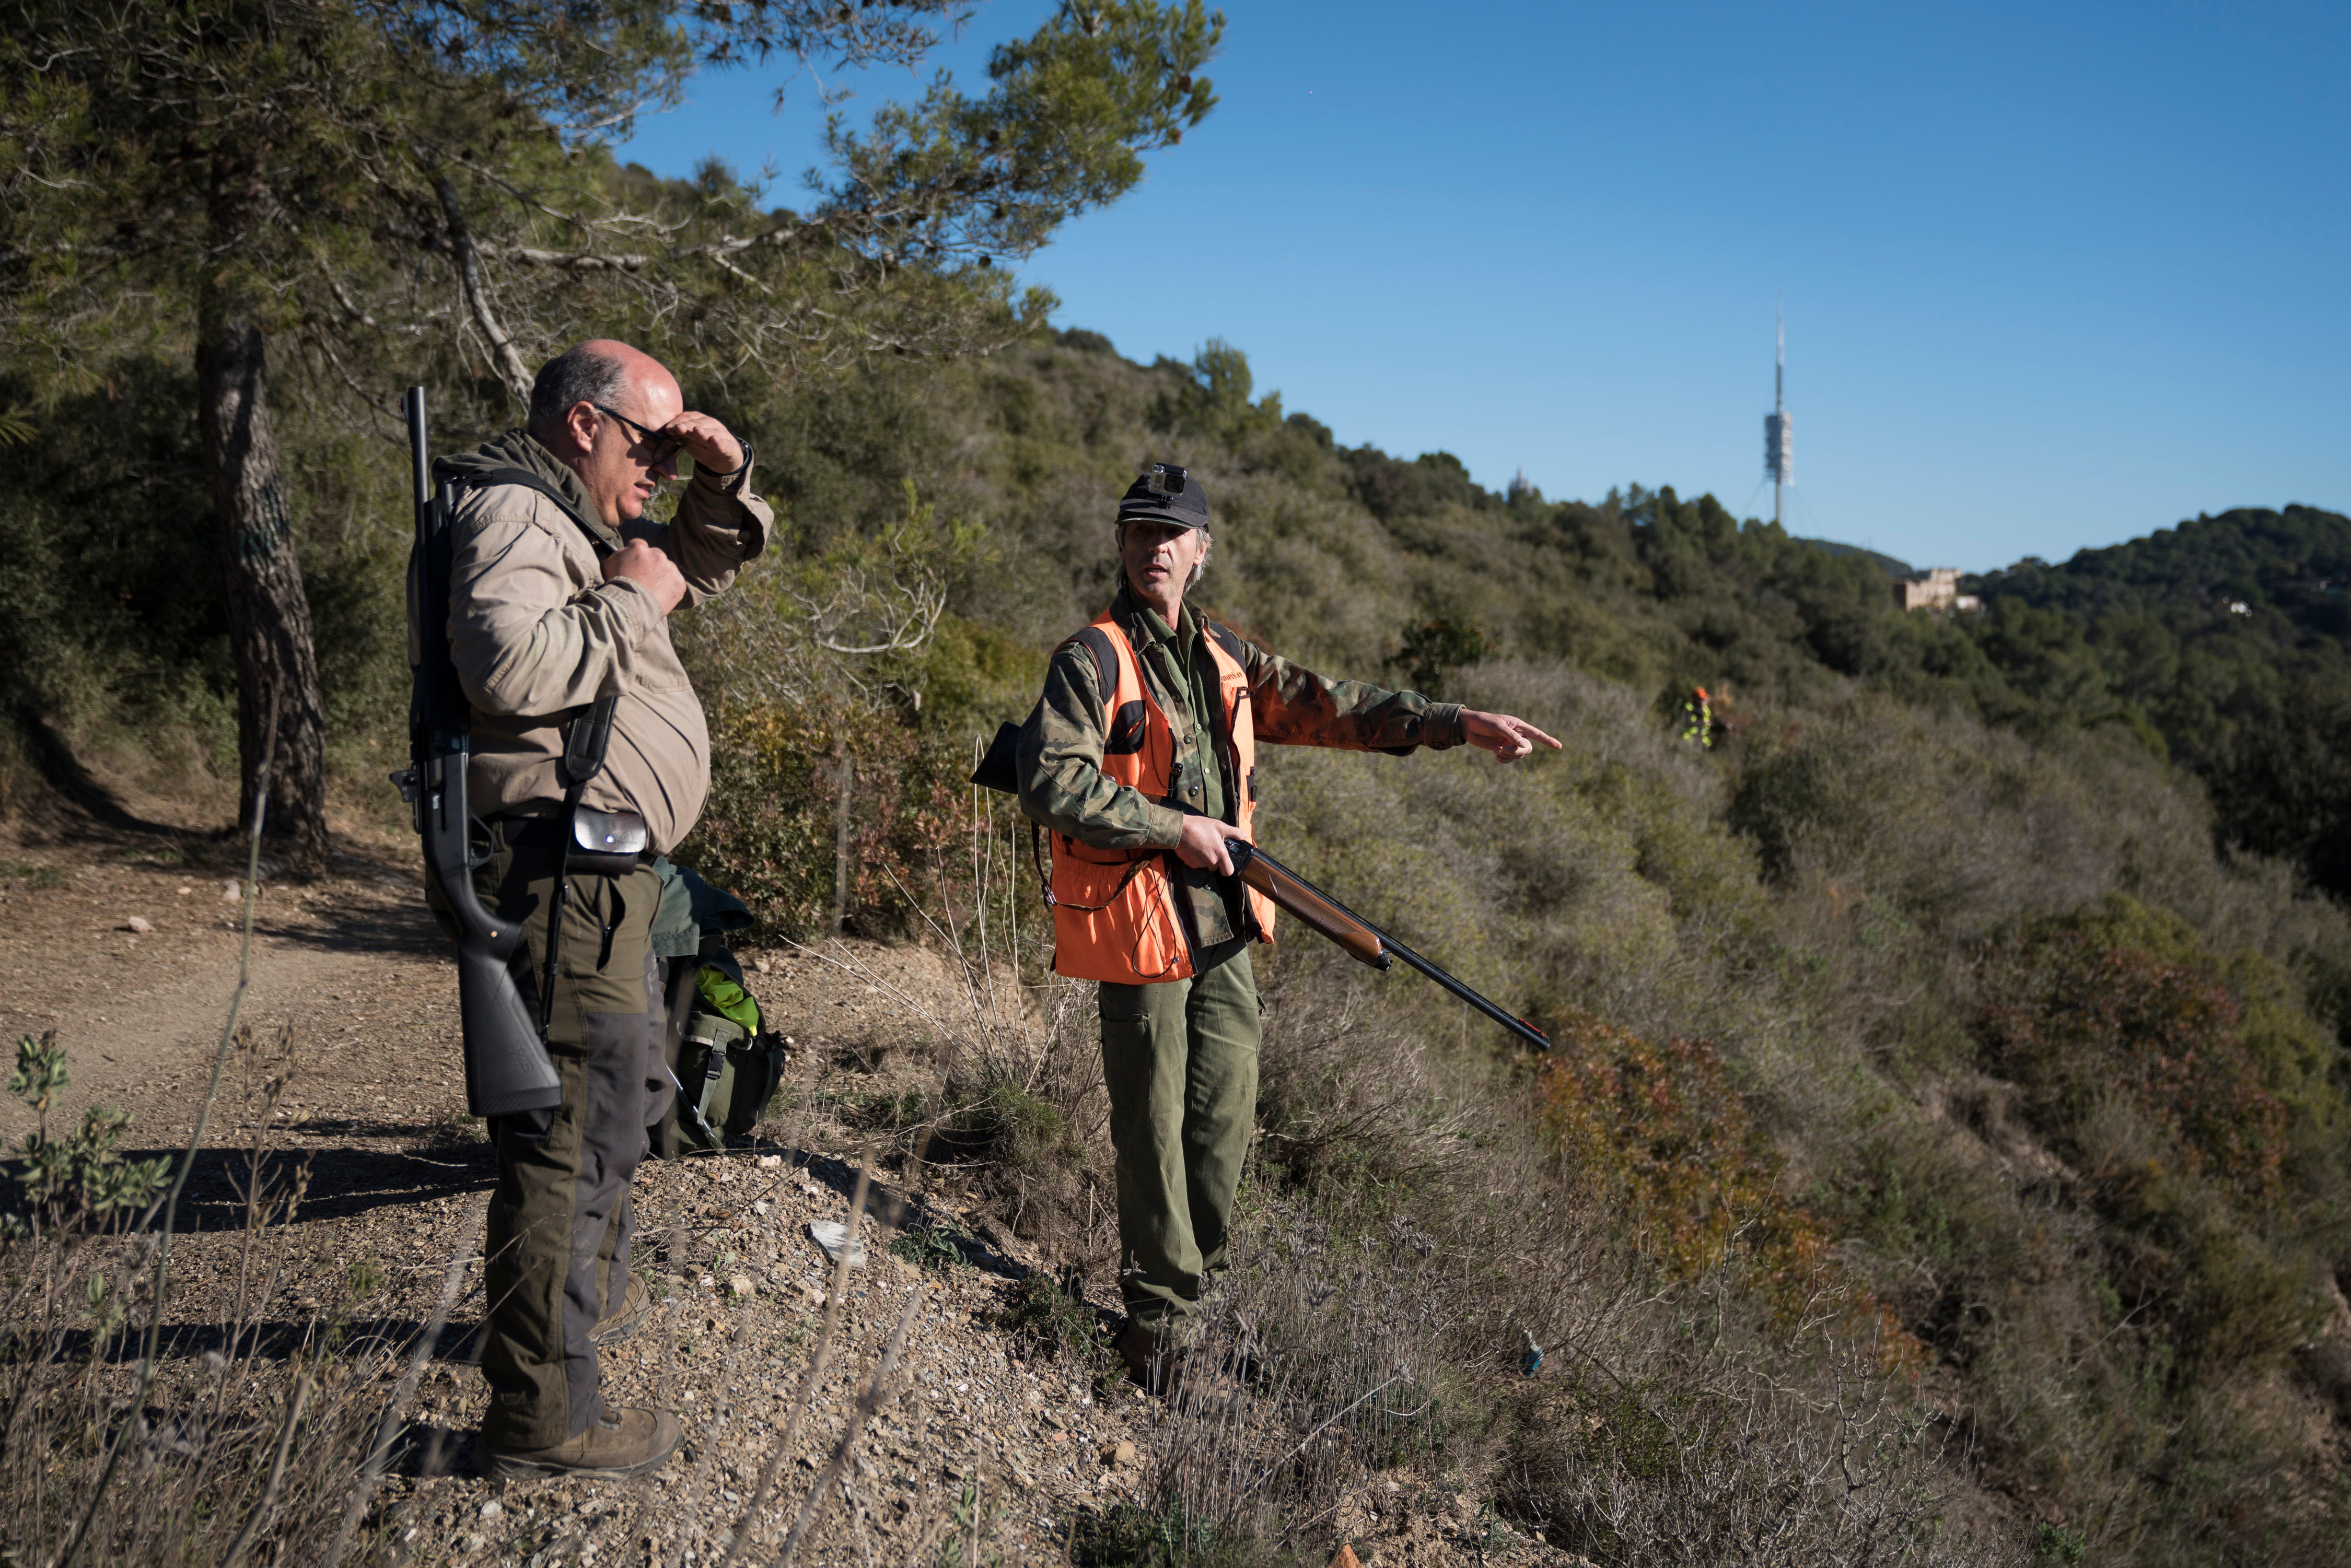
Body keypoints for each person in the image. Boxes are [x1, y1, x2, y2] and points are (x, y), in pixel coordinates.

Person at [1015, 464, 1559, 1389]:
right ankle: (1157, 1328)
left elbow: (1327, 702)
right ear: (1121, 544)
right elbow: (1051, 780)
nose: (1154, 547)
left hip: (1222, 927)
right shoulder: (1092, 658)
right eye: (1139, 530)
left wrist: (1454, 721)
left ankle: (1199, 1297)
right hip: (1141, 925)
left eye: (1171, 534)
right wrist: (1172, 827)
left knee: (1221, 1125)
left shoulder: (1222, 653)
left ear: (1201, 552)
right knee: (1150, 1127)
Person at [425, 339, 772, 1478]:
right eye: (648, 446)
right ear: (584, 426)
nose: (659, 476)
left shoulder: (567, 520)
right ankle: (538, 1419)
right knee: (565, 1142)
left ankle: (559, 1348)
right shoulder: (519, 517)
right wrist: (632, 592)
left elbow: (697, 563)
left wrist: (718, 486)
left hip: (605, 881)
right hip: (567, 878)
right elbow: (512, 667)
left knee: (608, 1125)